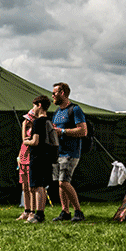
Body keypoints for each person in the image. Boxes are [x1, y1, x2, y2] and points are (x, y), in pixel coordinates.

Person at [51, 82, 87, 222]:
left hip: (70, 153)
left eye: (54, 93)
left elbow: (83, 131)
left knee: (63, 182)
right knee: (60, 183)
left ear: (63, 93)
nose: (52, 95)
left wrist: (63, 131)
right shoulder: (57, 112)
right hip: (58, 152)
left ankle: (78, 212)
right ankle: (65, 212)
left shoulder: (75, 109)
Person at [23, 96, 53, 224]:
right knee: (38, 186)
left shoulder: (38, 122)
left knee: (38, 186)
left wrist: (26, 141)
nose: (33, 109)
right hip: (46, 156)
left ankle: (39, 215)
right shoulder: (48, 121)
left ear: (39, 105)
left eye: (34, 105)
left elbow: (35, 141)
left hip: (37, 156)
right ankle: (38, 214)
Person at [16, 109, 35, 221]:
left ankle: (32, 211)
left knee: (30, 187)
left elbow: (24, 139)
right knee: (24, 187)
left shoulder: (33, 131)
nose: (25, 121)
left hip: (29, 161)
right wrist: (19, 157)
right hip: (22, 160)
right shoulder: (28, 129)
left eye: (27, 119)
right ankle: (26, 211)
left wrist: (23, 126)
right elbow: (23, 144)